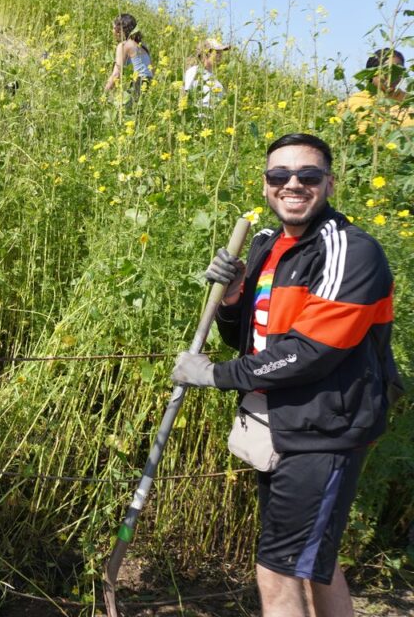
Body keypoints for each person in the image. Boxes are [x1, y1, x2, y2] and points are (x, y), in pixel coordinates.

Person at [172, 133, 401, 617]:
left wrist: (215, 375)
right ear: (265, 184)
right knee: (313, 563)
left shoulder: (350, 251)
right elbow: (250, 339)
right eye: (280, 175)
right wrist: (233, 297)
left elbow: (312, 352)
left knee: (278, 570)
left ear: (330, 183)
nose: (292, 184)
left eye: (308, 175)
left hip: (325, 430)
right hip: (279, 421)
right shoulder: (266, 245)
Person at [341, 47, 412, 131]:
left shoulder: (409, 100)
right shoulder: (352, 103)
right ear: (372, 72)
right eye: (387, 71)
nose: (392, 76)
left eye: (398, 71)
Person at [103, 12, 153, 100]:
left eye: (114, 28)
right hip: (147, 85)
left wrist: (104, 94)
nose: (112, 31)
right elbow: (151, 70)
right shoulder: (143, 46)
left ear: (120, 30)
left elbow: (116, 74)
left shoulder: (124, 45)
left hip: (136, 83)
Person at [182, 38, 231, 110]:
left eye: (221, 52)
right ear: (205, 53)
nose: (220, 55)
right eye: (217, 52)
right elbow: (184, 96)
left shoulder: (216, 81)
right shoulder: (194, 71)